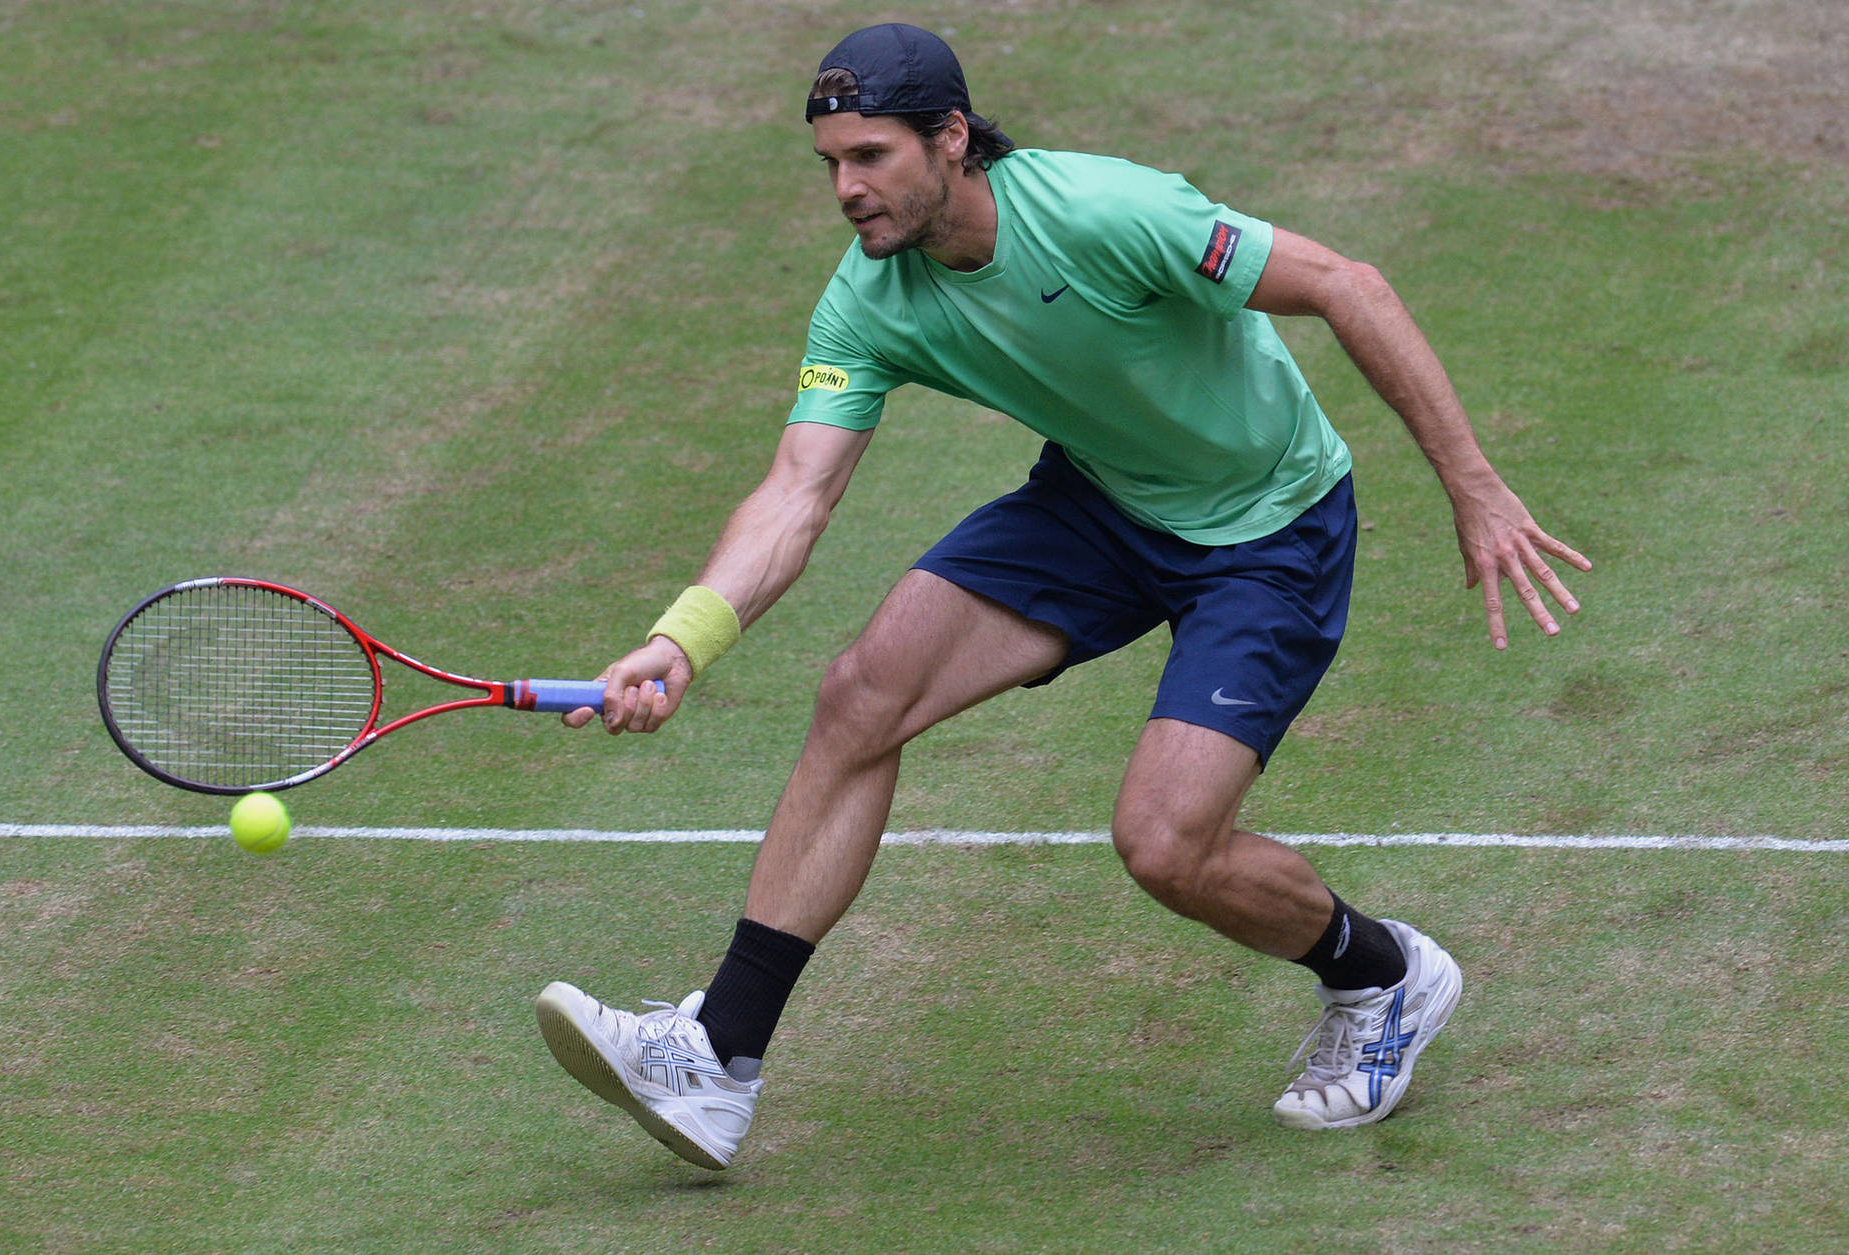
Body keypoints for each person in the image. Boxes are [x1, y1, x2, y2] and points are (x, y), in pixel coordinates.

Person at [535, 23, 1590, 1171]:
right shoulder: (870, 299)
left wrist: (1474, 488)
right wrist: (681, 641)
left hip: (1268, 529)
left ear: (952, 138)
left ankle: (1383, 975)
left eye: (872, 156)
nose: (846, 188)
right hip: (1100, 502)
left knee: (1164, 845)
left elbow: (1347, 284)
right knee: (859, 696)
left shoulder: (1107, 212)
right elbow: (797, 490)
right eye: (831, 163)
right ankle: (718, 1058)